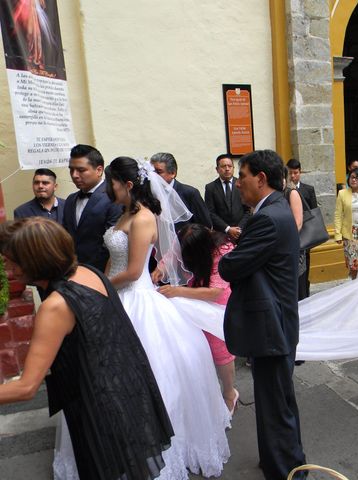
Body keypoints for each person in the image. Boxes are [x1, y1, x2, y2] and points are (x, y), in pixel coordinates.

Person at [0, 218, 174, 480]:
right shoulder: (88, 272)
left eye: (13, 261)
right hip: (127, 390)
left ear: (34, 260)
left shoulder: (56, 306)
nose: (8, 267)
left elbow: (26, 387)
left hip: (98, 406)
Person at [92, 156, 230, 478]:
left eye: (111, 181)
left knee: (157, 373)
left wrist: (96, 286)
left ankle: (163, 446)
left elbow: (132, 271)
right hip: (117, 297)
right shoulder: (124, 213)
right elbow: (114, 262)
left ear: (127, 185)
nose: (107, 188)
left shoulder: (141, 218)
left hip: (136, 298)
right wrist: (99, 284)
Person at [218, 149, 306, 480]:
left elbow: (230, 267)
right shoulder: (272, 211)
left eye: (242, 176)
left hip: (272, 326)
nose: (238, 183)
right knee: (275, 402)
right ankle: (277, 462)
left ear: (261, 179)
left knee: (276, 406)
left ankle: (289, 471)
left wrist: (230, 254)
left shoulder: (267, 218)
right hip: (275, 324)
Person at [158, 223, 239, 414]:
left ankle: (229, 392)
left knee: (219, 349)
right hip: (194, 295)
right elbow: (173, 254)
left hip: (218, 304)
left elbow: (215, 292)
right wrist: (161, 268)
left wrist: (177, 291)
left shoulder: (224, 250)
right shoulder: (192, 242)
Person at [62, 144, 122, 272]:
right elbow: (66, 236)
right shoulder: (70, 200)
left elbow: (111, 243)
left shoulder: (114, 197)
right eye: (71, 170)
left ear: (99, 170)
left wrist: (88, 272)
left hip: (102, 272)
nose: (74, 175)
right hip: (72, 271)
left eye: (81, 170)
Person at [150, 152, 212, 230]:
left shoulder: (190, 193)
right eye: (152, 172)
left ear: (173, 173)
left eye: (159, 172)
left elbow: (205, 225)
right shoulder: (148, 193)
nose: (154, 176)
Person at [286, 158, 318, 301]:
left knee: (306, 263)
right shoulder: (285, 191)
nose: (293, 176)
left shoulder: (308, 189)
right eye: (290, 173)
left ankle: (306, 291)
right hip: (291, 230)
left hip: (306, 231)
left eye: (296, 173)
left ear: (300, 172)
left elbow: (313, 210)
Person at [204, 153, 250, 241]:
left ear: (233, 168)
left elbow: (248, 210)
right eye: (223, 166)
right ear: (217, 169)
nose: (227, 169)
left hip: (241, 233)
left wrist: (238, 229)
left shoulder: (242, 184)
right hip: (221, 234)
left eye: (230, 166)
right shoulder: (210, 188)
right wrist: (228, 229)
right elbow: (210, 212)